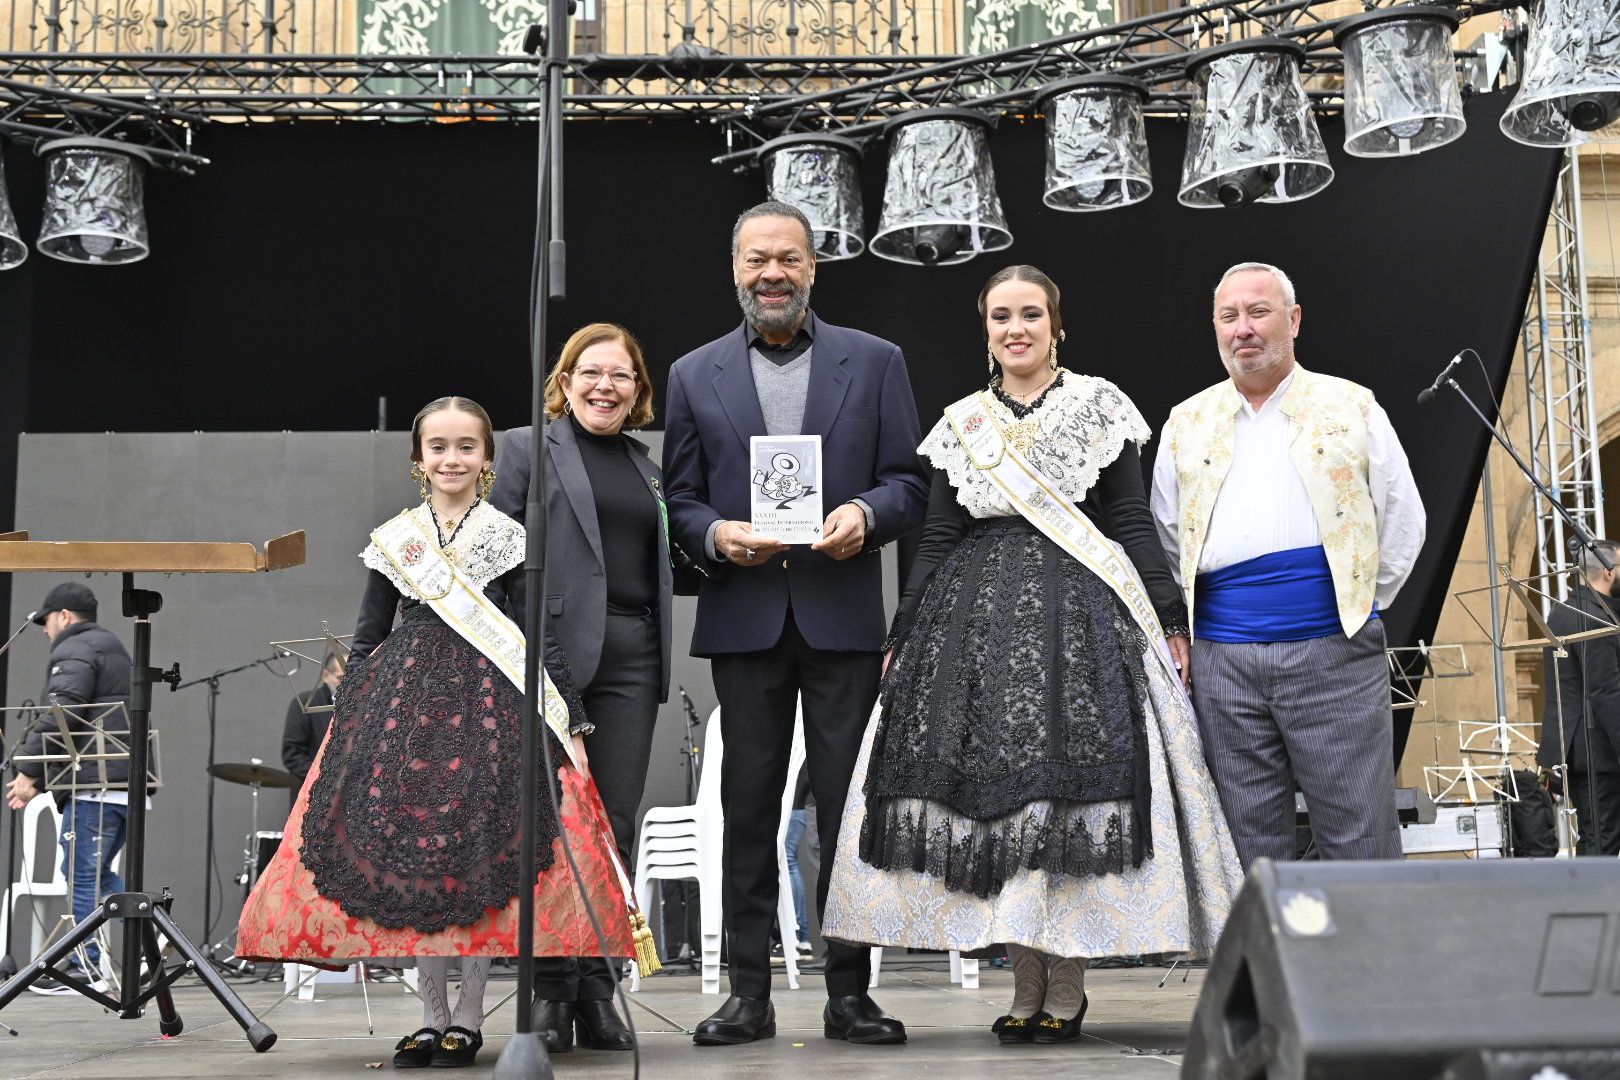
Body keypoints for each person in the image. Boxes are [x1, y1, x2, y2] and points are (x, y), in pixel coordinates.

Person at [822, 264, 1242, 1045]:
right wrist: (903, 634)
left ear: (1056, 325)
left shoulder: (1099, 407)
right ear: (986, 330)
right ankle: (1024, 982)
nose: (1016, 329)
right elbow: (939, 535)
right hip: (973, 630)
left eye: (1030, 315)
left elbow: (1128, 519)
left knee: (1060, 805)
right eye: (1000, 317)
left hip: (1079, 620)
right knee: (1000, 808)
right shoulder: (960, 424)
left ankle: (1067, 984)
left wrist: (1170, 617)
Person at [236, 396, 633, 1070]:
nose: (452, 459)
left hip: (487, 713)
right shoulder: (395, 539)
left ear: (486, 458)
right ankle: (430, 1017)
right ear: (418, 459)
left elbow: (538, 634)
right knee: (415, 869)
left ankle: (470, 1021)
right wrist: (351, 716)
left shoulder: (508, 536)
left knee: (470, 863)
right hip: (406, 712)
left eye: (467, 447)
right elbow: (368, 636)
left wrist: (570, 710)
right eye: (439, 447)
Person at [662, 200, 929, 1046]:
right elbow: (679, 497)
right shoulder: (691, 373)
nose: (771, 273)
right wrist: (711, 533)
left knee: (848, 810)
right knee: (749, 809)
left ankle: (849, 993)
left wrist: (865, 512)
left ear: (814, 267)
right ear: (734, 269)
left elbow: (909, 483)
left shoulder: (876, 361)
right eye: (755, 259)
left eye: (787, 258)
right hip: (744, 619)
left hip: (843, 614)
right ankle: (749, 994)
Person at [1150, 261, 1426, 868]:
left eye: (1258, 312)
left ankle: (1357, 967)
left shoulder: (1351, 406)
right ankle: (1260, 968)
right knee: (1245, 842)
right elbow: (1168, 539)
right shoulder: (1185, 422)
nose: (1243, 328)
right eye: (1229, 317)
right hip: (1222, 656)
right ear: (1215, 329)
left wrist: (1350, 607)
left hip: (1333, 644)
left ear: (1294, 320)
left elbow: (1403, 522)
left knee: (1358, 833)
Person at [489, 323, 674, 1052]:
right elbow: (497, 555)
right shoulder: (524, 446)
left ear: (638, 391)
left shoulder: (646, 464)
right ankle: (550, 994)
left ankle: (599, 989)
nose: (605, 386)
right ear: (563, 382)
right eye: (590, 373)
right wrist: (530, 654)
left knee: (612, 825)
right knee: (552, 826)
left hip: (634, 655)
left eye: (621, 376)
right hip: (550, 655)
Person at [4, 582, 136, 995]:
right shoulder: (110, 644)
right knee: (92, 876)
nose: (44, 631)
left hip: (97, 786)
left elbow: (62, 716)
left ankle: (86, 966)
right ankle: (153, 939)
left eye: (46, 621)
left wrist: (28, 772)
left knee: (82, 877)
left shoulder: (75, 649)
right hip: (116, 785)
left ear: (64, 616)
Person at [1538, 540, 1620, 856]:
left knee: (1596, 835)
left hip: (1575, 749)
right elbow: (1606, 692)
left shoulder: (1562, 612)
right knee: (1603, 839)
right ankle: (1598, 902)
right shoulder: (1596, 619)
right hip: (1599, 751)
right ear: (1608, 572)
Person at [281, 652, 343, 792]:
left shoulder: (362, 705)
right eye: (341, 678)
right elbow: (292, 755)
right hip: (313, 795)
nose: (347, 683)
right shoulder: (305, 702)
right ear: (326, 676)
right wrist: (326, 778)